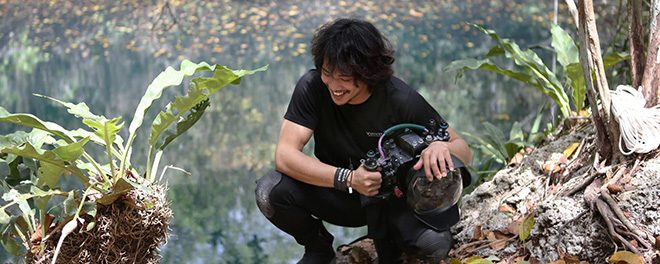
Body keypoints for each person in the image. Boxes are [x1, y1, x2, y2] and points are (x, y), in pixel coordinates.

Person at [255, 18, 472, 264]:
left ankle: (394, 240)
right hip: (342, 194)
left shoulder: (401, 99)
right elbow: (285, 156)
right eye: (328, 73)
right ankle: (318, 247)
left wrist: (441, 147)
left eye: (345, 77)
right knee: (270, 190)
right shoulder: (313, 87)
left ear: (368, 72)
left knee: (434, 246)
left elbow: (463, 149)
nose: (334, 86)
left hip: (394, 200)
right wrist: (349, 179)